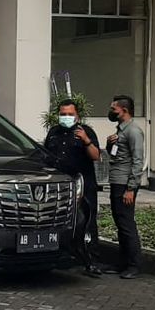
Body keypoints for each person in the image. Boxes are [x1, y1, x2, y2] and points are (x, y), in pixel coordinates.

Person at [43, 99, 102, 277]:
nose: (66, 117)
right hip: (59, 186)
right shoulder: (54, 132)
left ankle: (91, 260)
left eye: (70, 114)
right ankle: (63, 255)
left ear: (77, 115)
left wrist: (86, 141)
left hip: (83, 185)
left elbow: (96, 156)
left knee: (86, 222)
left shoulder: (86, 131)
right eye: (63, 114)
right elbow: (46, 154)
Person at [105, 95, 144, 278]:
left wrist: (130, 189)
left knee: (127, 224)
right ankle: (122, 263)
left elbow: (138, 161)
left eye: (114, 109)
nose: (111, 112)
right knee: (120, 224)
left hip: (125, 184)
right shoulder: (121, 130)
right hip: (117, 181)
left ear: (124, 110)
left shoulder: (133, 131)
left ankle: (134, 265)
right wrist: (109, 144)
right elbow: (115, 154)